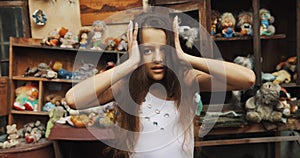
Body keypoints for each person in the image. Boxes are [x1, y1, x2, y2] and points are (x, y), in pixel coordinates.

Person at [65, 8, 255, 158]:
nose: (157, 58)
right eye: (148, 51)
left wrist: (186, 57)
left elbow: (247, 79)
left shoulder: (186, 80)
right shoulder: (126, 86)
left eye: (163, 50)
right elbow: (74, 99)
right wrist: (130, 64)